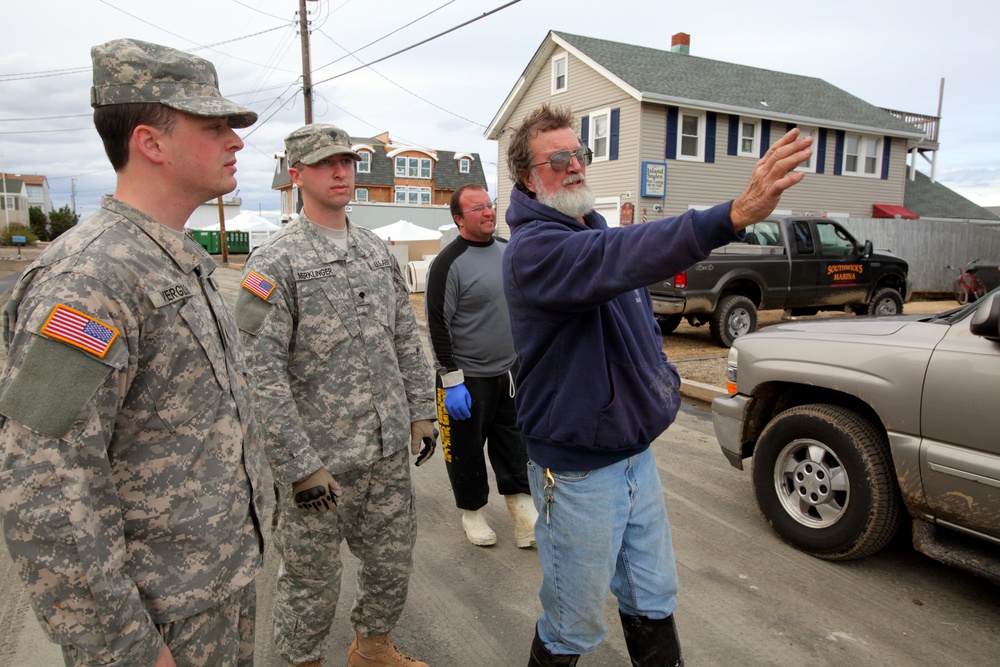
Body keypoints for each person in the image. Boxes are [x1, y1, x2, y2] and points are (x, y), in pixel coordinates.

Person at [501, 104, 813, 667]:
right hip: (575, 472)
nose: (575, 166)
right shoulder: (536, 253)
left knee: (652, 595)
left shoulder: (591, 234)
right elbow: (620, 255)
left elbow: (638, 315)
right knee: (572, 623)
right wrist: (732, 214)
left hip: (633, 458)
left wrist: (661, 383)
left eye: (580, 155)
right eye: (558, 160)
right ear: (527, 177)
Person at [0, 38, 266, 667]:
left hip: (217, 587)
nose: (237, 141)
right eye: (214, 126)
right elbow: (46, 488)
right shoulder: (90, 279)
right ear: (150, 142)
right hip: (156, 621)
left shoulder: (177, 256)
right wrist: (124, 646)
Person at [234, 123, 436, 667]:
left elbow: (404, 338)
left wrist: (421, 411)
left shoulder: (374, 251)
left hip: (384, 450)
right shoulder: (275, 261)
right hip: (319, 462)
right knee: (310, 578)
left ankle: (373, 648)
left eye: (346, 161)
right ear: (296, 175)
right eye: (325, 163)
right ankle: (303, 660)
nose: (341, 171)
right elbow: (260, 373)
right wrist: (299, 466)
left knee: (392, 562)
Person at [424, 183, 537, 548]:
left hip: (509, 374)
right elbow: (438, 324)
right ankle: (472, 513)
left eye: (489, 205)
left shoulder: (509, 250)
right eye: (477, 208)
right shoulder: (448, 264)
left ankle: (522, 512)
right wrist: (450, 379)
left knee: (514, 444)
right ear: (459, 219)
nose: (488, 212)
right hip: (465, 380)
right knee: (466, 450)